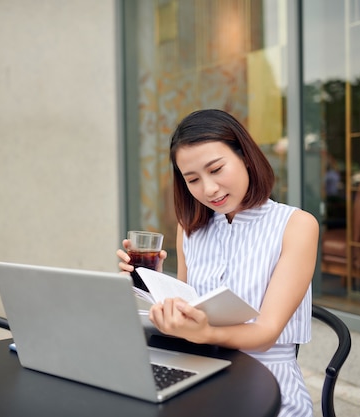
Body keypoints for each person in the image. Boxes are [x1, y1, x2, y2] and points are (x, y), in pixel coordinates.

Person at [117, 109, 318, 416]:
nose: (208, 189)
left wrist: (203, 332)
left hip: (267, 385)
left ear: (246, 157)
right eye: (193, 179)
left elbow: (265, 333)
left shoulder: (296, 225)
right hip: (198, 372)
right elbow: (187, 312)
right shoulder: (191, 228)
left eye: (216, 169)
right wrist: (147, 282)